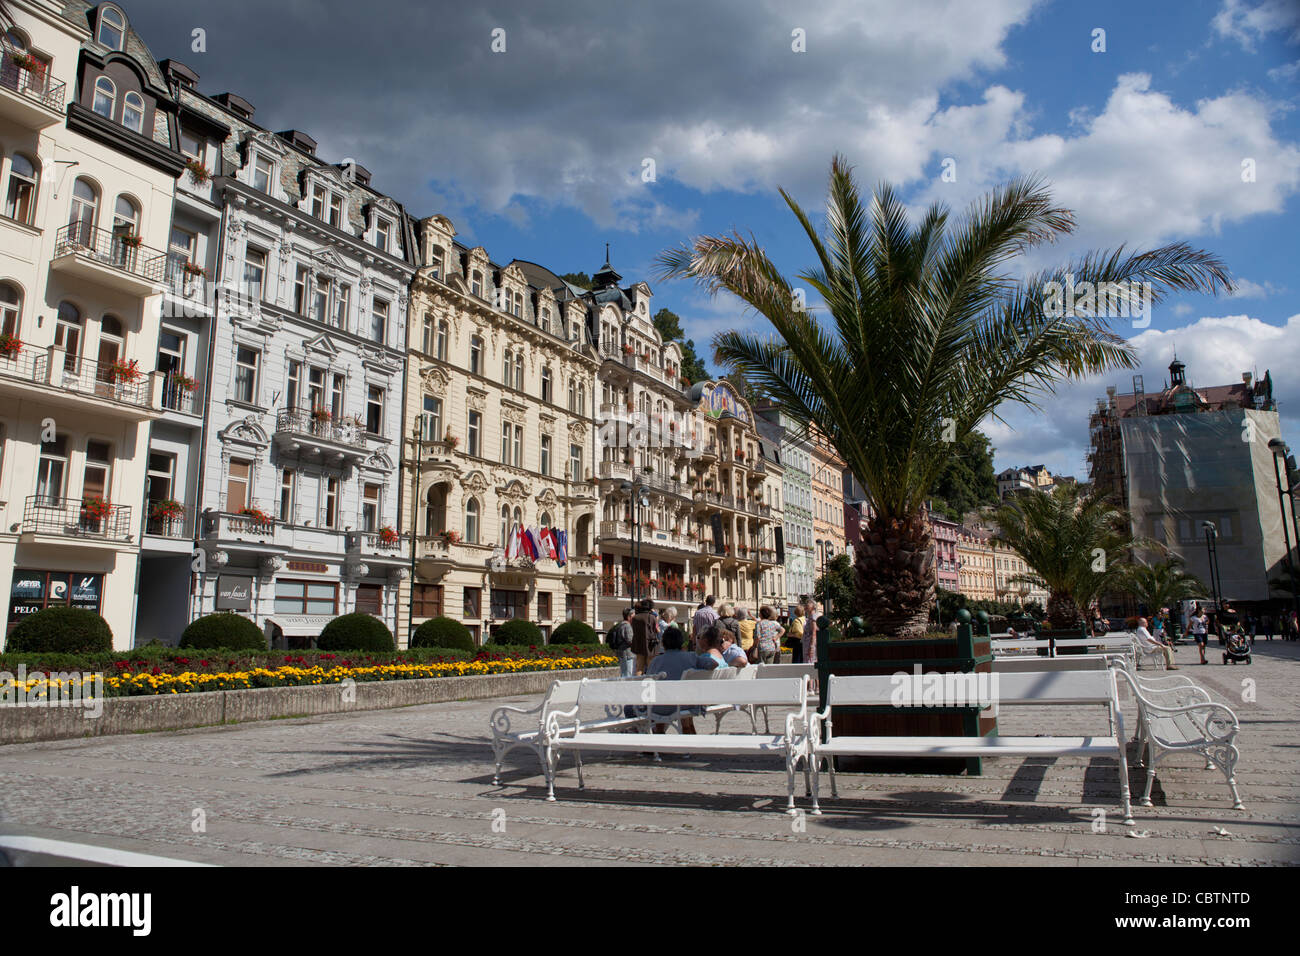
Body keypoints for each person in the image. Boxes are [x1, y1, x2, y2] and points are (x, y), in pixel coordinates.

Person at [645, 626, 699, 734]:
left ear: (663, 643)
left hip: (661, 706)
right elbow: (710, 663)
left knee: (655, 701)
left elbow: (648, 681)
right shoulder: (691, 657)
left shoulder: (657, 661)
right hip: (688, 704)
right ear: (681, 642)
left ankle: (658, 734)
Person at [631, 599, 660, 675]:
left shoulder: (634, 618)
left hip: (638, 643)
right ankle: (650, 683)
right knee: (650, 666)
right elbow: (657, 630)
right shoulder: (652, 617)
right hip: (650, 644)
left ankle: (638, 682)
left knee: (639, 667)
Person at [610, 607, 636, 677]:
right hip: (628, 653)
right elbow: (630, 640)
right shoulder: (627, 626)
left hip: (621, 652)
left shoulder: (620, 625)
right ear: (629, 616)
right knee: (628, 674)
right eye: (634, 615)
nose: (635, 617)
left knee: (624, 673)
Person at [803, 598, 819, 667]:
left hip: (810, 644)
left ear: (813, 606)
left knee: (810, 663)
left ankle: (811, 677)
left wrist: (811, 647)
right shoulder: (809, 617)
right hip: (807, 643)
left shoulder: (813, 617)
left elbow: (814, 632)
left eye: (808, 604)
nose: (806, 606)